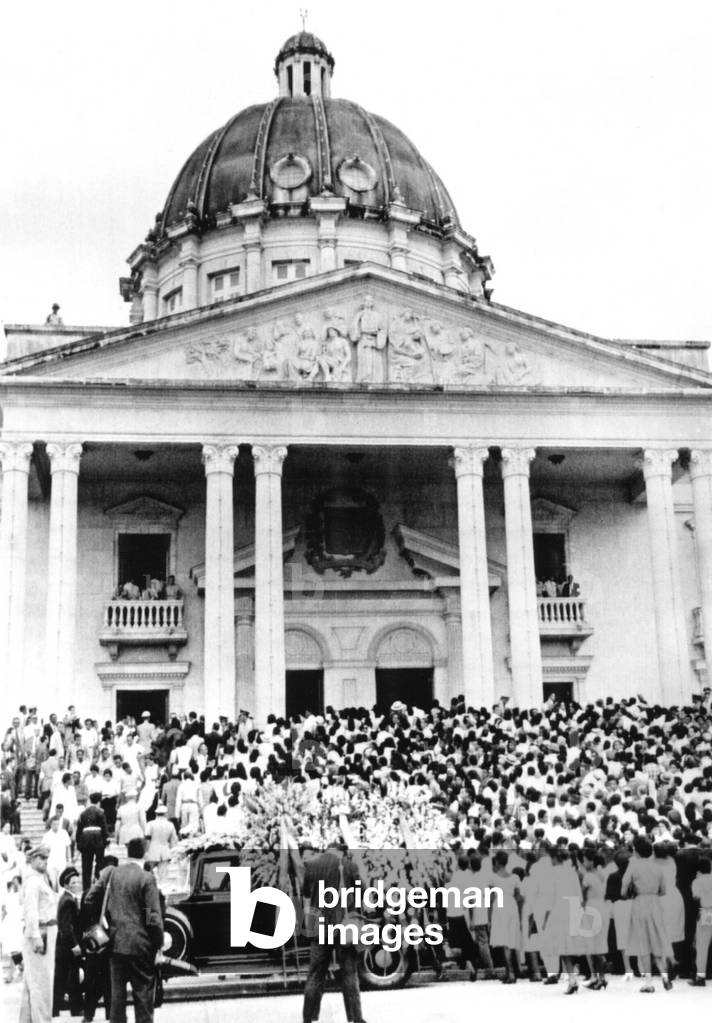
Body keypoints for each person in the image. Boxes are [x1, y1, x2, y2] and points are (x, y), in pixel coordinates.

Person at [85, 839, 163, 1023]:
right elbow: (152, 916)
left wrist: (104, 921)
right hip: (141, 945)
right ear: (144, 853)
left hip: (115, 943)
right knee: (143, 997)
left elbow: (89, 898)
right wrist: (158, 943)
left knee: (117, 1000)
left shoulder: (112, 873)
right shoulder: (146, 878)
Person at [301, 842, 366, 1023]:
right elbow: (363, 890)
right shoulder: (349, 865)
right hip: (344, 927)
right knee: (349, 973)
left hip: (320, 927)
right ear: (341, 851)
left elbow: (305, 893)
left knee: (315, 974)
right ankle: (355, 1018)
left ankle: (309, 1018)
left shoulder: (312, 865)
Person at [621, 834, 672, 992]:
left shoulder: (633, 866)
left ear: (636, 851)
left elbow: (623, 890)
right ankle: (664, 975)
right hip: (655, 903)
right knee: (656, 941)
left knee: (643, 943)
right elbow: (663, 891)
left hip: (640, 903)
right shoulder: (657, 867)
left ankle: (648, 982)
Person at [19, 845, 58, 1023]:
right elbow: (31, 910)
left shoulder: (40, 879)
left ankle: (27, 1020)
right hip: (40, 932)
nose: (45, 862)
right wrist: (35, 935)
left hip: (45, 930)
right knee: (42, 984)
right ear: (32, 859)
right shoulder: (33, 882)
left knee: (32, 981)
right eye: (41, 858)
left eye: (46, 859)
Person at [52, 866, 83, 1016]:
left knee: (62, 977)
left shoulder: (68, 898)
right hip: (67, 946)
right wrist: (75, 945)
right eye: (74, 882)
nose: (78, 885)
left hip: (64, 946)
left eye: (78, 881)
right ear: (66, 885)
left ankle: (56, 1009)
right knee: (70, 977)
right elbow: (66, 926)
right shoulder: (68, 901)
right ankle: (75, 1009)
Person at [76, 793, 108, 890]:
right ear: (99, 802)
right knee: (99, 863)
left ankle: (86, 888)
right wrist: (105, 840)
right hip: (98, 839)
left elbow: (79, 829)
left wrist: (78, 842)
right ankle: (98, 884)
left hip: (85, 839)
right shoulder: (100, 812)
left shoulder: (83, 813)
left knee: (86, 866)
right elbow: (104, 828)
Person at [689, 857, 712, 986]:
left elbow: (696, 897)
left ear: (698, 870)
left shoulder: (697, 881)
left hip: (706, 913)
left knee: (702, 945)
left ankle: (700, 976)